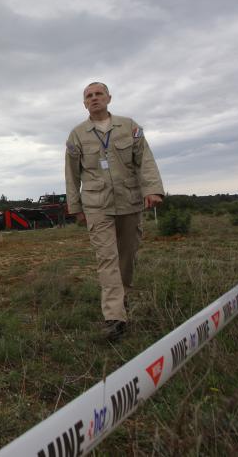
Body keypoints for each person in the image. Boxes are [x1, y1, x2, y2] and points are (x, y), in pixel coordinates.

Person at [65, 82, 164, 340]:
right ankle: (114, 318)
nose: (94, 98)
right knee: (107, 258)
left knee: (127, 256)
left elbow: (145, 160)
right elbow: (72, 175)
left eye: (99, 94)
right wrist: (75, 206)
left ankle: (122, 298)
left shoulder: (129, 126)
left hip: (129, 201)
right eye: (89, 96)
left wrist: (152, 189)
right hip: (97, 205)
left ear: (109, 98)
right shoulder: (77, 135)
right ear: (84, 103)